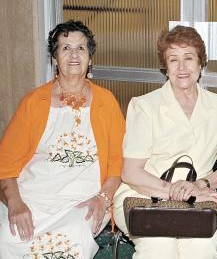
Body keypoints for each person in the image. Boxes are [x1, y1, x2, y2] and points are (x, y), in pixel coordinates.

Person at [0, 20, 125, 259]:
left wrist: (102, 199)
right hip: (34, 198)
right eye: (65, 48)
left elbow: (118, 164)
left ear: (90, 57)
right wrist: (15, 204)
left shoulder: (106, 102)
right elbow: (5, 164)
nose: (74, 54)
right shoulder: (33, 102)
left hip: (83, 200)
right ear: (55, 58)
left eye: (81, 48)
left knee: (72, 238)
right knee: (10, 237)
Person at [112, 25, 217, 259]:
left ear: (201, 63)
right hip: (144, 197)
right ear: (165, 67)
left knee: (203, 249)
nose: (182, 67)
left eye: (189, 58)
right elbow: (131, 173)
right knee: (160, 248)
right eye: (173, 60)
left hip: (198, 199)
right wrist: (178, 193)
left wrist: (200, 185)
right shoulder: (144, 105)